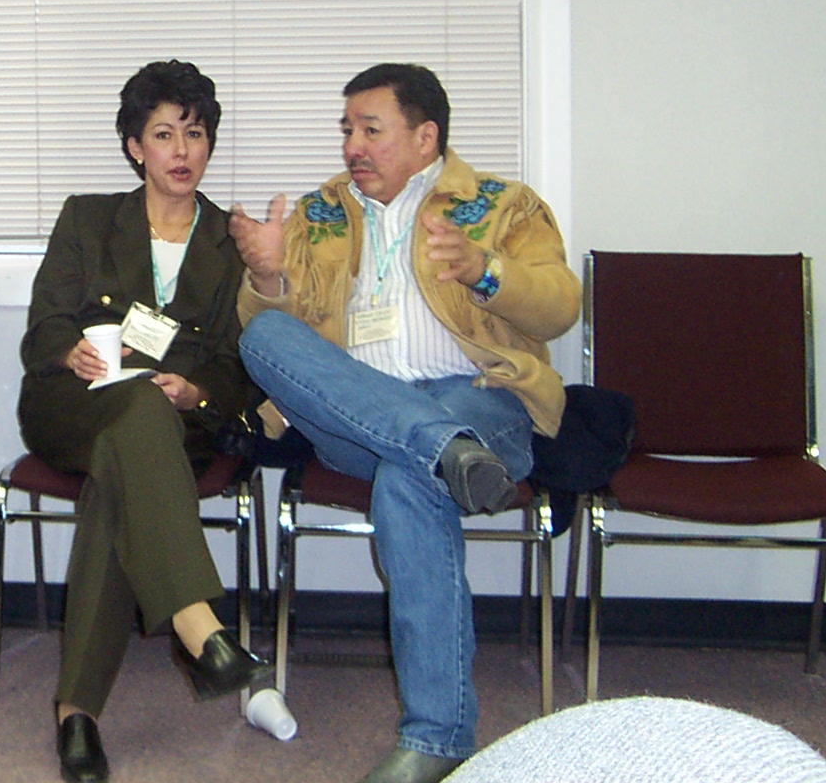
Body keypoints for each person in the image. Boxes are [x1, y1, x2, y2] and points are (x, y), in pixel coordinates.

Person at [229, 63, 580, 783]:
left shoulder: (503, 206)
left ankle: (437, 736)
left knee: (407, 481)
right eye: (347, 130)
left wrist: (485, 269)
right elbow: (275, 332)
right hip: (357, 411)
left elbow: (559, 306)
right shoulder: (319, 213)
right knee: (263, 337)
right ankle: (441, 448)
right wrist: (267, 277)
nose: (352, 146)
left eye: (370, 129)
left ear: (426, 137)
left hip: (479, 399)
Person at [20, 61, 270, 783]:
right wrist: (69, 350)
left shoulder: (231, 241)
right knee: (131, 413)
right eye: (164, 135)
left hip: (173, 426)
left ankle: (76, 713)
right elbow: (41, 331)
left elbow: (235, 362)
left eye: (195, 134)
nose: (182, 151)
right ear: (135, 147)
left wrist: (195, 392)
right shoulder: (88, 218)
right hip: (74, 406)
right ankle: (199, 625)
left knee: (119, 480)